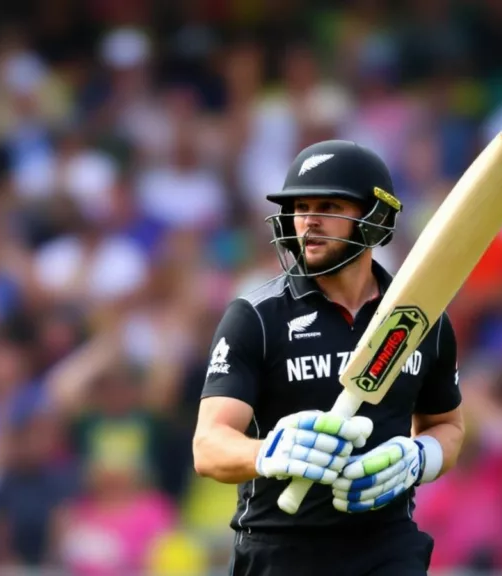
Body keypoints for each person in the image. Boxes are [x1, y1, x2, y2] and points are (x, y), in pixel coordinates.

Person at [193, 140, 465, 576]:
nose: (309, 222)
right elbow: (207, 446)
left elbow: (447, 426)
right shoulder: (256, 318)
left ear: (375, 219)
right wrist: (270, 454)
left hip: (387, 547)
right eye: (301, 206)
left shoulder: (421, 320)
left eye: (329, 205)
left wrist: (418, 457)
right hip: (278, 549)